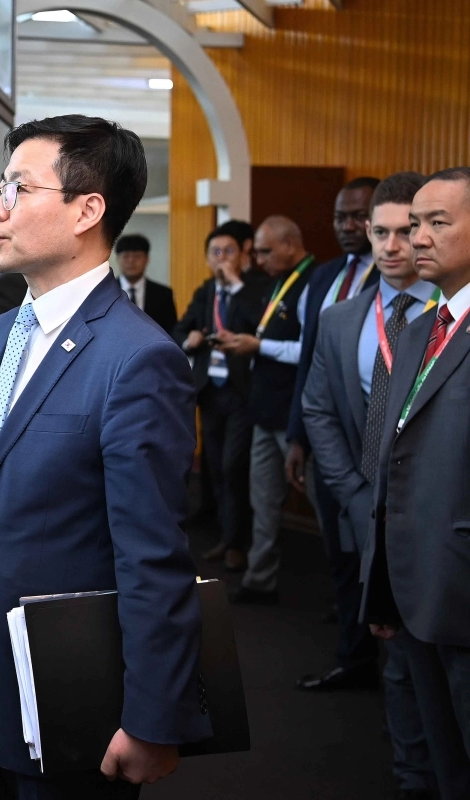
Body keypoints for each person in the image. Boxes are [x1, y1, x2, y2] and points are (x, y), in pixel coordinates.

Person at [0, 114, 211, 799]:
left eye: (18, 188)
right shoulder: (1, 333)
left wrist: (154, 718)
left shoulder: (139, 358)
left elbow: (152, 553)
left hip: (68, 693)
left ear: (87, 211)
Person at [302, 172, 436, 797]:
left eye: (405, 231)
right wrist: (355, 494)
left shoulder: (450, 316)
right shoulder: (340, 319)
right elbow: (320, 409)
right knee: (396, 659)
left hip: (436, 519)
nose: (390, 246)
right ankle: (412, 773)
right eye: (379, 232)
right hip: (364, 507)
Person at [362, 167, 470, 800]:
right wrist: (381, 584)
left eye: (436, 223)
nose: (415, 238)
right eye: (411, 223)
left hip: (461, 585)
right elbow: (395, 458)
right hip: (415, 586)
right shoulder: (420, 329)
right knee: (444, 762)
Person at [284, 179, 382, 659]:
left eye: (359, 217)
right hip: (328, 439)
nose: (348, 226)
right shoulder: (322, 277)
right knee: (340, 552)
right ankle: (352, 656)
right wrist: (297, 436)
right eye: (341, 217)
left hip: (378, 438)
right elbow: (309, 362)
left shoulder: (399, 277)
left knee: (378, 556)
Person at [217, 216, 318, 605]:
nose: (258, 260)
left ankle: (354, 591)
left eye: (265, 251)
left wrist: (259, 347)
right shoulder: (278, 280)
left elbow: (310, 351)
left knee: (326, 504)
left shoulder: (313, 283)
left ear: (290, 245)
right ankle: (260, 579)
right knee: (263, 499)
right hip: (264, 408)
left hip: (295, 413)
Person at [174, 226, 262, 572]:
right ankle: (227, 538)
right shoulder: (205, 291)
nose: (221, 259)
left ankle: (238, 543)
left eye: (229, 251)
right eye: (215, 253)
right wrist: (190, 339)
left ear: (243, 255)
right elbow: (180, 329)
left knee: (233, 466)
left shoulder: (254, 289)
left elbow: (261, 324)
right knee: (214, 468)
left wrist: (236, 285)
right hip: (210, 391)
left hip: (242, 392)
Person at [115, 233, 177, 334]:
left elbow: (171, 332)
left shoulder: (163, 294)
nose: (131, 261)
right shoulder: (105, 291)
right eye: (126, 256)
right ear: (118, 259)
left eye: (137, 256)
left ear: (147, 259)